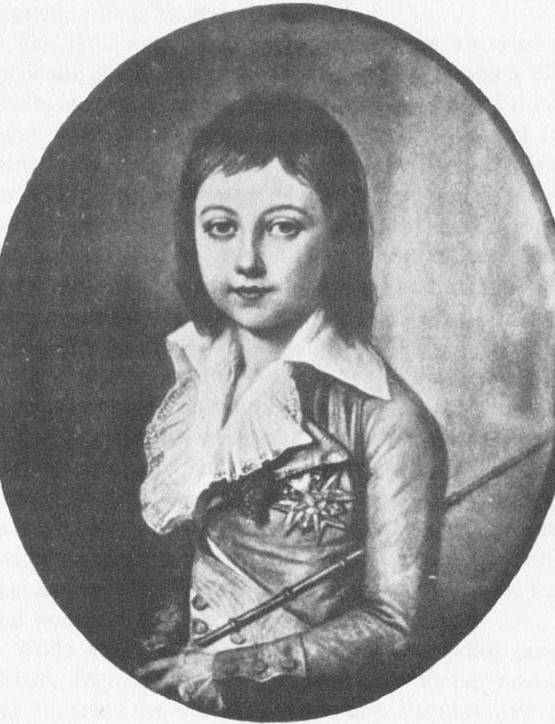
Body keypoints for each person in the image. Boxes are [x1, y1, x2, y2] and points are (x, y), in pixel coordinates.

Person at [135, 93, 446, 719]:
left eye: (282, 227)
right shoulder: (198, 379)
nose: (246, 260)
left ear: (338, 238)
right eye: (221, 227)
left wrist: (228, 668)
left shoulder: (388, 420)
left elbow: (393, 626)